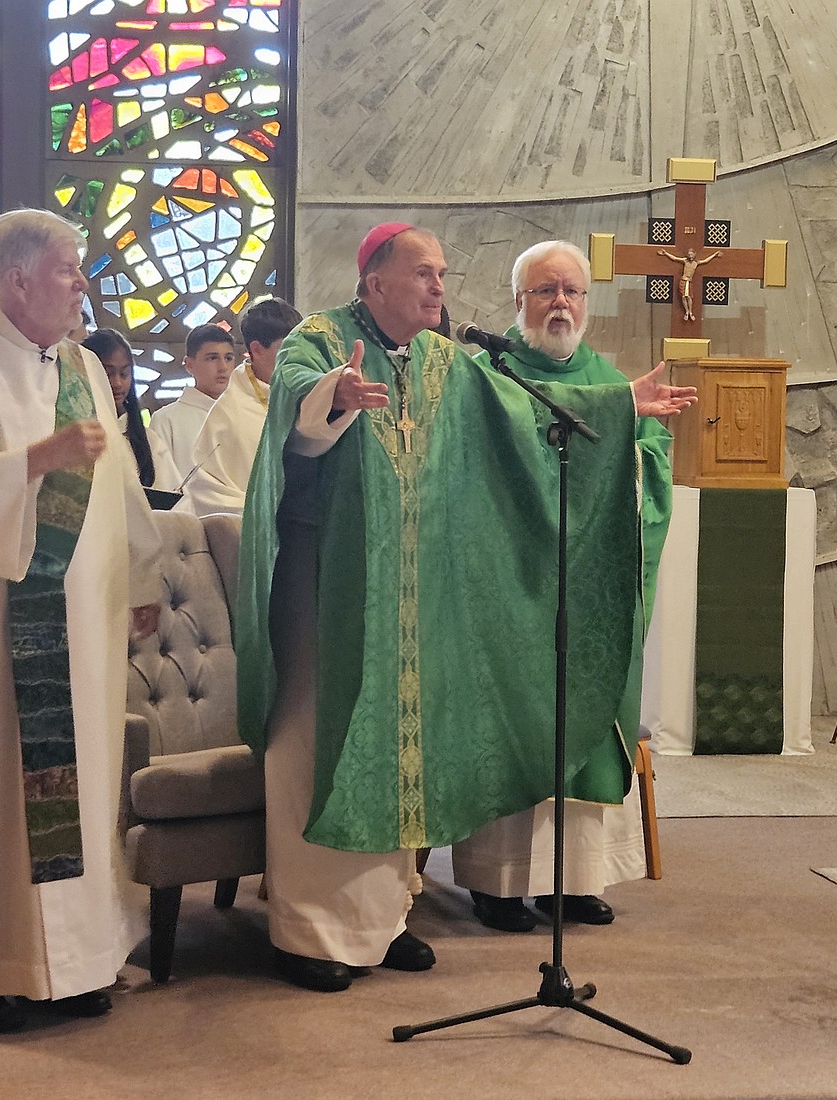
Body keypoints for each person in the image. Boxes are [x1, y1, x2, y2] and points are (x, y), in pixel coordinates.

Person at [235, 223, 696, 993]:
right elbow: (290, 405)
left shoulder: (447, 360)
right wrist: (333, 396)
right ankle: (309, 932)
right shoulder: (320, 339)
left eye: (443, 274)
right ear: (374, 280)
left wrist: (621, 405)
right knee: (324, 747)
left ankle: (380, 923)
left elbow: (522, 417)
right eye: (423, 274)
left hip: (414, 593)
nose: (439, 288)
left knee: (401, 748)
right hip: (328, 584)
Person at [0, 208, 164, 1034]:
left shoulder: (83, 365)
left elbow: (118, 481)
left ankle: (77, 966)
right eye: (67, 269)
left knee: (81, 794)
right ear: (17, 282)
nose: (82, 283)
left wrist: (144, 577)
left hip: (83, 629)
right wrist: (36, 460)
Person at [450, 240, 677, 933]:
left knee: (589, 711)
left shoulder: (610, 379)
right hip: (514, 583)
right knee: (515, 714)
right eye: (544, 291)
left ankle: (575, 880)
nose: (559, 304)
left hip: (593, 584)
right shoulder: (492, 376)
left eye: (572, 291)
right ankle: (499, 882)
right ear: (518, 302)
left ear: (587, 302)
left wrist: (636, 455)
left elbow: (651, 460)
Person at [180, 297, 302, 517]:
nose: (298, 357)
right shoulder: (228, 414)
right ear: (257, 350)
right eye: (287, 348)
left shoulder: (306, 394)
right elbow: (208, 494)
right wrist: (270, 515)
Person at [82, 327, 181, 491]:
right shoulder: (74, 434)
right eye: (108, 374)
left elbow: (172, 494)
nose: (118, 383)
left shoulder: (148, 440)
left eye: (124, 374)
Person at [149, 323, 236, 479]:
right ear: (189, 364)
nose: (223, 367)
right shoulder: (166, 420)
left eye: (228, 358)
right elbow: (164, 482)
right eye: (212, 358)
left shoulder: (243, 414)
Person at [656, 246, 722, 321]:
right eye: (689, 254)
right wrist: (666, 253)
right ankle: (686, 312)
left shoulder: (696, 263)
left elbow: (706, 261)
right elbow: (675, 258)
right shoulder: (685, 261)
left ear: (694, 255)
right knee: (684, 296)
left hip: (689, 281)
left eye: (692, 254)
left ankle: (690, 312)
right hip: (683, 280)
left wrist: (715, 254)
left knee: (689, 297)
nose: (690, 256)